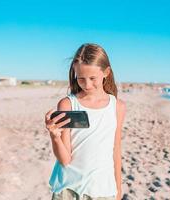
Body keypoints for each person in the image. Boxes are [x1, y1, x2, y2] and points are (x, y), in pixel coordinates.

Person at [45, 43, 126, 200]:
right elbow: (65, 160)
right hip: (68, 190)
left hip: (103, 190)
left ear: (106, 72)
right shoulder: (68, 104)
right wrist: (54, 136)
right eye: (81, 78)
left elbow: (116, 150)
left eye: (92, 78)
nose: (87, 84)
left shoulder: (117, 107)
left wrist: (118, 187)